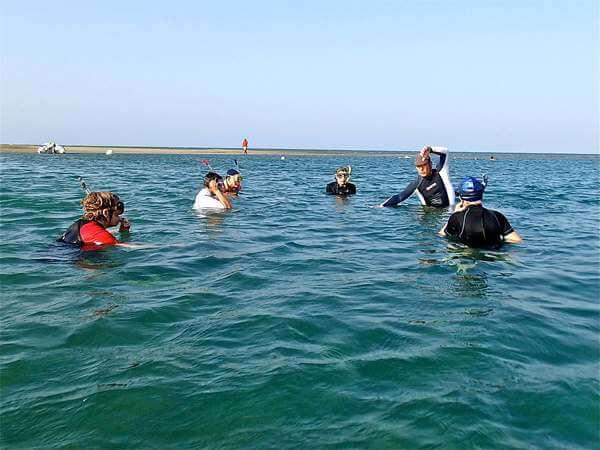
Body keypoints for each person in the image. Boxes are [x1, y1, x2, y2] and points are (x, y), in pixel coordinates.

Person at [439, 176, 522, 247]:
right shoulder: (497, 216)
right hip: (494, 256)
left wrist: (454, 213)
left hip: (466, 257)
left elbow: (442, 234)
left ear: (461, 198)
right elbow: (516, 240)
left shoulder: (457, 217)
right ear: (481, 196)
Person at [380, 146, 455, 208]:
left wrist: (430, 149)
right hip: (430, 216)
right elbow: (399, 197)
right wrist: (382, 206)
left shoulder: (441, 172)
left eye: (424, 165)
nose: (421, 169)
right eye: (418, 167)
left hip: (449, 212)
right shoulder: (417, 184)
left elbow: (445, 152)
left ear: (430, 164)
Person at [57, 192, 130, 247]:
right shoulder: (96, 232)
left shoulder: (83, 224)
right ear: (106, 213)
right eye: (117, 214)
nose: (120, 215)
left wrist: (124, 231)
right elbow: (123, 246)